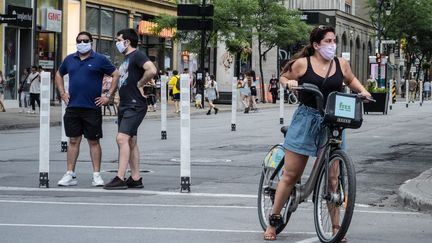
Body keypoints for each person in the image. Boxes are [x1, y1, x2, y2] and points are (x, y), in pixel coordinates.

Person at [263, 25, 371, 241]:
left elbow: (350, 79)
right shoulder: (303, 63)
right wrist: (289, 83)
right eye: (328, 41)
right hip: (307, 119)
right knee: (291, 175)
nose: (333, 45)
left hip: (332, 121)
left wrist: (363, 91)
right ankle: (274, 220)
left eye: (333, 41)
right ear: (316, 45)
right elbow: (283, 78)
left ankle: (336, 227)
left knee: (334, 179)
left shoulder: (341, 63)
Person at [55, 31, 120, 187]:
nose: (82, 43)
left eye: (85, 40)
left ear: (91, 42)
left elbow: (116, 74)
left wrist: (108, 96)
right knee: (73, 140)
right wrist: (62, 93)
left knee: (93, 141)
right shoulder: (70, 59)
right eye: (79, 41)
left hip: (92, 107)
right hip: (73, 107)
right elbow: (58, 74)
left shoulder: (100, 59)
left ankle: (96, 175)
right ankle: (70, 174)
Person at [103, 28, 157, 190]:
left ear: (127, 41)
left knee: (121, 139)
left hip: (135, 104)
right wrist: (113, 97)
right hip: (126, 104)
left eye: (118, 40)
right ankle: (135, 178)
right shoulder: (126, 58)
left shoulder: (137, 55)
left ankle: (120, 177)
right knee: (131, 141)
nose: (116, 43)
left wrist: (140, 83)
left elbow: (152, 70)